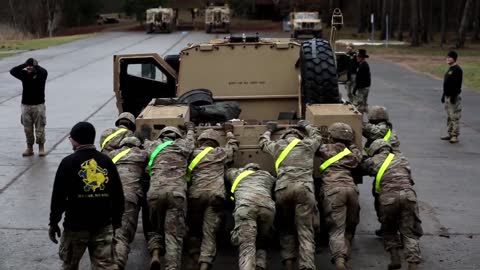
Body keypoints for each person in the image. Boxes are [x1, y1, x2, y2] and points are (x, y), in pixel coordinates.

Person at [48, 121, 125, 270]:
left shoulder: (68, 163)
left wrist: (53, 222)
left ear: (75, 140)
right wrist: (116, 222)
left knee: (69, 265)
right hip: (102, 225)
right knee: (104, 266)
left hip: (75, 226)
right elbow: (117, 195)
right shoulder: (106, 161)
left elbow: (58, 197)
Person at [259, 120, 322, 270]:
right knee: (305, 229)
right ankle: (306, 265)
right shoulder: (308, 145)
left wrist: (269, 130)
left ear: (284, 137)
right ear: (299, 137)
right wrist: (305, 125)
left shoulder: (278, 146)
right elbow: (317, 135)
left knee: (286, 227)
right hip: (304, 190)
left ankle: (288, 261)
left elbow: (262, 142)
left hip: (283, 190)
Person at [361, 139, 423, 270]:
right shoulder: (402, 158)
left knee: (389, 229)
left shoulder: (374, 160)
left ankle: (395, 258)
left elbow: (362, 168)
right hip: (408, 195)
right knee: (408, 232)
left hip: (389, 198)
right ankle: (413, 264)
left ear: (374, 150)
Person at [143, 124, 195, 270]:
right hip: (176, 194)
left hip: (155, 194)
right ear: (178, 136)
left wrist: (145, 134)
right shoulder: (184, 145)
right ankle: (171, 267)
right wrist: (190, 128)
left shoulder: (153, 146)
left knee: (155, 228)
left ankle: (155, 253)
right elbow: (192, 140)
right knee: (173, 234)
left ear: (161, 136)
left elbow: (143, 141)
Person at [186, 126, 239, 270]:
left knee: (194, 228)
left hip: (195, 195)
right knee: (210, 231)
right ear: (215, 143)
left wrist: (190, 130)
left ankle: (194, 253)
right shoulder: (220, 153)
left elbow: (187, 143)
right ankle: (205, 262)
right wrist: (229, 133)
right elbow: (233, 146)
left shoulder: (193, 153)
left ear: (200, 142)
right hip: (215, 196)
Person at [317, 123, 361, 270]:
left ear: (331, 136)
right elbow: (358, 157)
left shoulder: (324, 148)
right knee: (349, 228)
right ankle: (346, 256)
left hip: (333, 190)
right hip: (351, 189)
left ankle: (340, 261)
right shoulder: (352, 154)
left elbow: (313, 145)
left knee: (337, 229)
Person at [108, 136, 149, 270]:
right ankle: (117, 264)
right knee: (122, 235)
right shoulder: (142, 154)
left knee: (107, 233)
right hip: (129, 197)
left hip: (108, 197)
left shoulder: (112, 154)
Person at [226, 163, 276, 270]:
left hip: (246, 209)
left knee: (247, 246)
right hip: (267, 209)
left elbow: (225, 171)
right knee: (261, 242)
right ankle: (260, 266)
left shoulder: (236, 173)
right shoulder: (267, 175)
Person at [10, 58, 48, 157]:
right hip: (25, 105)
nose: (29, 68)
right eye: (28, 66)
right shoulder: (24, 74)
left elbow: (44, 71)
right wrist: (24, 65)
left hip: (38, 105)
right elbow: (12, 71)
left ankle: (41, 148)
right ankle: (29, 148)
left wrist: (36, 66)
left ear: (35, 66)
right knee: (27, 129)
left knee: (40, 128)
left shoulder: (41, 74)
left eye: (31, 66)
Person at [441, 50, 463, 144]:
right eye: (447, 57)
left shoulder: (457, 70)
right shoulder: (450, 69)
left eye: (450, 57)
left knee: (454, 116)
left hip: (453, 97)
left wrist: (454, 96)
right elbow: (447, 84)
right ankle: (449, 133)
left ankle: (455, 135)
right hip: (447, 96)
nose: (448, 59)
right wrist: (443, 95)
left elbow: (458, 85)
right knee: (449, 116)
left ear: (454, 59)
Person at [353, 49, 371, 115]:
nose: (357, 58)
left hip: (362, 88)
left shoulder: (363, 66)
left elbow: (360, 79)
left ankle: (360, 120)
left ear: (361, 58)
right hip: (365, 87)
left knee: (360, 104)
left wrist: (355, 89)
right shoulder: (362, 65)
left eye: (358, 57)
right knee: (364, 104)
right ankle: (368, 115)